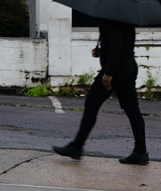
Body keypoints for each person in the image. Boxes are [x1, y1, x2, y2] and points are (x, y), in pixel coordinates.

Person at [52, 18, 148, 165]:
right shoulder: (126, 19)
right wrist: (102, 51)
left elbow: (116, 45)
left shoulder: (111, 19)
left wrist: (108, 73)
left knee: (91, 103)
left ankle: (76, 146)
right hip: (128, 66)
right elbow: (120, 43)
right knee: (132, 110)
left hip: (116, 69)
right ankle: (140, 152)